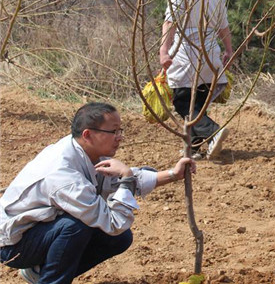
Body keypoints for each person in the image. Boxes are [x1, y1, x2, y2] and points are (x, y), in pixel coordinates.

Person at [0, 102, 195, 284]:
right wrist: (126, 177)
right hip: (13, 244)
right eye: (113, 131)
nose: (120, 137)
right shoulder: (63, 174)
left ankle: (39, 271)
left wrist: (172, 175)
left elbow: (114, 178)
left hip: (39, 228)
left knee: (119, 239)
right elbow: (113, 222)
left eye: (120, 130)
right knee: (76, 226)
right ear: (87, 134)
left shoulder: (83, 150)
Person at [159, 0, 232, 160]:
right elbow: (223, 26)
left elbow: (170, 23)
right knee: (198, 102)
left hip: (185, 50)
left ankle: (213, 132)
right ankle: (195, 148)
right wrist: (228, 49)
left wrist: (164, 50)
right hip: (210, 50)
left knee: (182, 100)